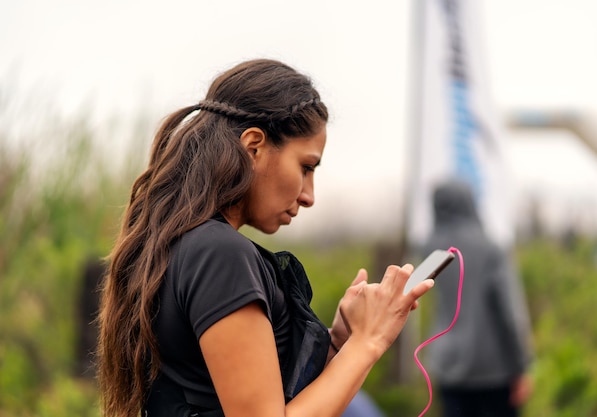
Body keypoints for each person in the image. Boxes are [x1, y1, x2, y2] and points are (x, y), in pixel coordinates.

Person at [96, 58, 435, 417]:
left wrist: (338, 344)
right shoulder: (219, 254)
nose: (309, 195)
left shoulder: (183, 244)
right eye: (305, 168)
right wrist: (370, 341)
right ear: (253, 146)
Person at [420, 179, 534, 417]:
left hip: (448, 366)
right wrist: (521, 366)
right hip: (494, 370)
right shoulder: (490, 248)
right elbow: (509, 311)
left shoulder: (430, 250)